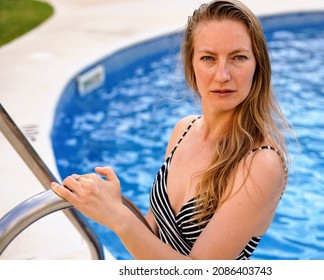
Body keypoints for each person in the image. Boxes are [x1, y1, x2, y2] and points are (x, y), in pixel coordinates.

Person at [51, 0, 290, 260]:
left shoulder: (260, 163)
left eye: (238, 58)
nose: (222, 75)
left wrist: (118, 218)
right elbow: (154, 236)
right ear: (191, 64)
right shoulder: (184, 130)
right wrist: (113, 204)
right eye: (208, 58)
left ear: (258, 67)